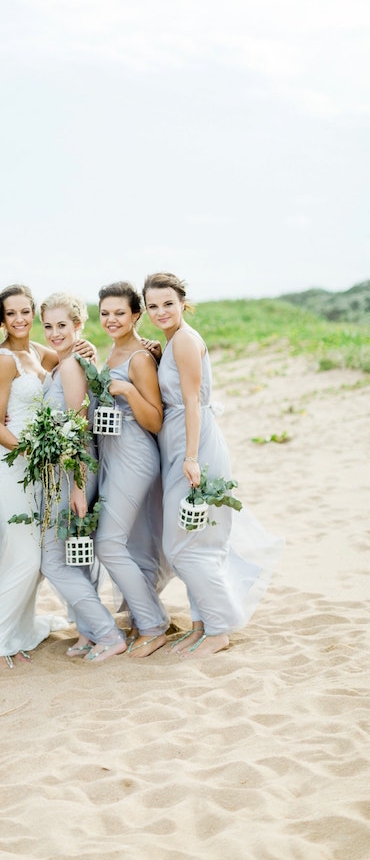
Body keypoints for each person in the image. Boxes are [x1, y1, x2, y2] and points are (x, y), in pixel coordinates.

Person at [143, 272, 283, 658]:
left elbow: (191, 402)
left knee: (185, 544)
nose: (160, 311)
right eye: (152, 306)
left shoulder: (186, 341)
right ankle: (201, 625)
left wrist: (190, 457)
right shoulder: (172, 342)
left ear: (182, 302)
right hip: (179, 443)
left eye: (167, 303)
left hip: (196, 444)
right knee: (189, 539)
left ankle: (218, 629)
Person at [0, 283, 95, 669]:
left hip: (37, 468)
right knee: (26, 552)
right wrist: (29, 451)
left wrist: (87, 348)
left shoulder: (38, 353)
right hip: (10, 463)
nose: (20, 319)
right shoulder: (2, 360)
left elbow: (69, 361)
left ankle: (14, 631)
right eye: (10, 314)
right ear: (3, 319)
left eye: (25, 312)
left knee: (19, 550)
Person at [39, 293, 126, 662]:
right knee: (74, 556)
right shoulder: (62, 363)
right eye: (49, 326)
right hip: (64, 469)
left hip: (74, 469)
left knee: (53, 560)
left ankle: (107, 632)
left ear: (78, 326)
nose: (55, 333)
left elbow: (80, 426)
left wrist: (76, 486)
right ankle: (89, 633)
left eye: (63, 325)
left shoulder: (73, 365)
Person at [93, 281, 170, 658]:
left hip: (135, 454)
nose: (111, 319)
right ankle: (144, 620)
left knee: (108, 542)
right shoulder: (112, 351)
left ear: (136, 315)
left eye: (119, 312)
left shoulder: (138, 358)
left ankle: (154, 625)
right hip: (113, 454)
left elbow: (154, 420)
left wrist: (126, 392)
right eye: (105, 313)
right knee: (132, 542)